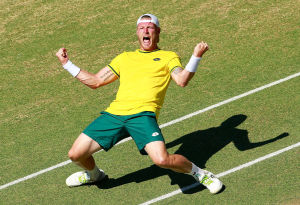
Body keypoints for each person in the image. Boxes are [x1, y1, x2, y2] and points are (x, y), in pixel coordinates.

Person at [56, 14, 223, 194]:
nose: (145, 31)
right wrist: (67, 64)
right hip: (115, 115)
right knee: (75, 154)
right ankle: (94, 175)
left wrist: (196, 56)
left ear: (157, 32)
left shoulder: (168, 57)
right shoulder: (124, 58)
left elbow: (182, 80)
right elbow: (96, 81)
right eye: (141, 28)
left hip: (143, 116)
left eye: (150, 27)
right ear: (137, 32)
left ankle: (201, 173)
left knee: (162, 160)